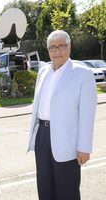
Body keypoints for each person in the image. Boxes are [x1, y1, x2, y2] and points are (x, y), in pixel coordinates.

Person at [28, 30, 97, 200]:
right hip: (42, 136)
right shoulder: (43, 72)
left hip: (68, 141)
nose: (57, 51)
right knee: (44, 187)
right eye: (53, 47)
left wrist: (84, 147)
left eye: (61, 46)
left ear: (69, 47)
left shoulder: (83, 73)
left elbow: (87, 114)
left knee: (67, 190)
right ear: (48, 50)